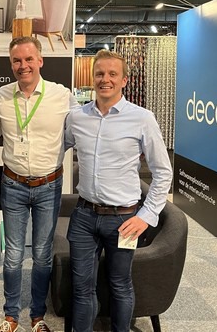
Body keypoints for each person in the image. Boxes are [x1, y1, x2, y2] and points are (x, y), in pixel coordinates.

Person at [64, 50, 173, 332]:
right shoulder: (77, 117)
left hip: (124, 219)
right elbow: (55, 148)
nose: (105, 79)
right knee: (81, 287)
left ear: (124, 80)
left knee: (120, 284)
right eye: (100, 73)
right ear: (92, 78)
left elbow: (163, 172)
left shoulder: (142, 118)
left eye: (113, 74)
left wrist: (146, 216)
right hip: (84, 216)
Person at [0, 36, 78, 332]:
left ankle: (37, 315)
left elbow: (76, 132)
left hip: (49, 185)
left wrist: (54, 151)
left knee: (42, 254)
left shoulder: (61, 95)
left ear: (40, 60)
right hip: (13, 184)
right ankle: (10, 316)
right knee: (13, 254)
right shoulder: (2, 95)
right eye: (17, 60)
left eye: (29, 59)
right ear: (11, 64)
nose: (23, 65)